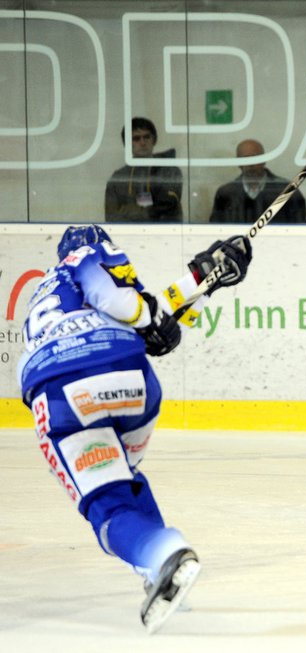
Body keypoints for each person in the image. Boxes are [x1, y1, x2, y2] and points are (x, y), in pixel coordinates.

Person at [17, 225, 252, 632]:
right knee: (124, 476)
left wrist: (167, 305)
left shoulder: (60, 279)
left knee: (108, 503)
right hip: (136, 386)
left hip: (66, 392)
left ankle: (163, 555)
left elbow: (123, 304)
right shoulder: (101, 270)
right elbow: (147, 320)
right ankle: (157, 569)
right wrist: (199, 282)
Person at [210, 139, 306, 224]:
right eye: (245, 159)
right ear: (238, 163)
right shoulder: (226, 194)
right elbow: (216, 229)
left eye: (255, 158)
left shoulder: (287, 190)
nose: (250, 164)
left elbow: (300, 228)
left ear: (264, 160)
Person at [104, 117, 183, 223]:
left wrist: (127, 210)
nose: (142, 142)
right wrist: (144, 211)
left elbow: (164, 207)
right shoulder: (118, 178)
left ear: (153, 140)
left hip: (165, 235)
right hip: (128, 237)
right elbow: (111, 218)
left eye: (147, 137)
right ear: (128, 144)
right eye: (136, 138)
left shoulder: (169, 171)